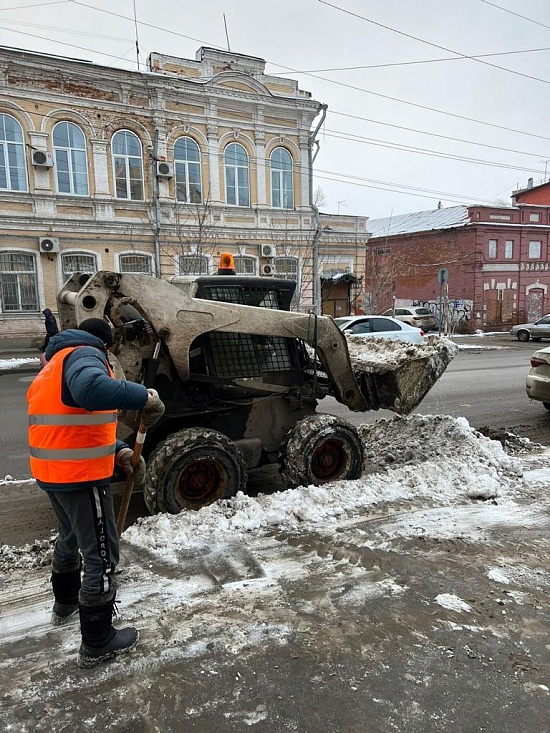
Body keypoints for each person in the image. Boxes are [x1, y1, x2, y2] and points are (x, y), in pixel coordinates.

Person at [26, 318, 165, 668]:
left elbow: (74, 424)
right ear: (105, 345)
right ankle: (98, 640)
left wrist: (119, 450)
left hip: (53, 473)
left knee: (70, 537)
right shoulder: (86, 354)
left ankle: (65, 603)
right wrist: (143, 396)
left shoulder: (54, 363)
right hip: (80, 477)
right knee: (101, 554)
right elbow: (91, 390)